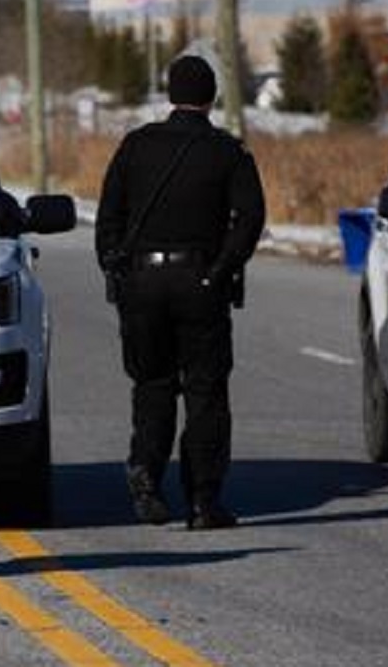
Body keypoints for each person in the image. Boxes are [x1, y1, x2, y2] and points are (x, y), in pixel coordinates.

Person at [95, 55, 266, 530]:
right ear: (211, 97)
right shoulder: (227, 152)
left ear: (170, 94)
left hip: (143, 283)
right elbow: (250, 218)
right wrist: (223, 267)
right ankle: (203, 502)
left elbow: (108, 216)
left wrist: (117, 268)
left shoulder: (135, 146)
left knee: (152, 385)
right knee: (205, 392)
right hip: (200, 283)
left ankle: (146, 473)